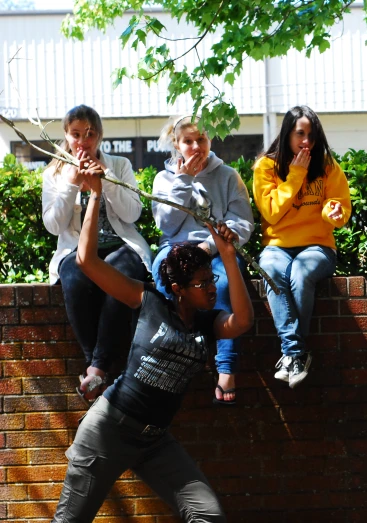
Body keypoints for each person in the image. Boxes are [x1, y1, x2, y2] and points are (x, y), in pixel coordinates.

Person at [52, 160, 253, 522]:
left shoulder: (207, 323)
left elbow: (242, 321)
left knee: (208, 515)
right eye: (203, 284)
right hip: (107, 430)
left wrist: (227, 256)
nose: (212, 289)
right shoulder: (148, 301)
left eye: (212, 281)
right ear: (177, 289)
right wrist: (95, 195)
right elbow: (86, 261)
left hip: (154, 440)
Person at [42, 105, 151, 402]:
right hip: (75, 249)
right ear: (66, 135)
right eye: (75, 134)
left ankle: (95, 370)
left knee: (120, 273)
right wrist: (72, 184)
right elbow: (53, 226)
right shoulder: (54, 171)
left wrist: (107, 183)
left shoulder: (120, 164)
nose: (82, 142)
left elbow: (132, 214)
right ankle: (99, 367)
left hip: (122, 245)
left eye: (89, 134)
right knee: (74, 276)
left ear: (99, 136)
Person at [152, 115, 254, 404]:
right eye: (188, 141)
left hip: (217, 248)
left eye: (202, 140)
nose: (196, 146)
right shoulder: (164, 179)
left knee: (221, 286)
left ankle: (226, 367)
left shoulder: (228, 175)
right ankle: (172, 358)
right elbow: (167, 225)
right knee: (165, 282)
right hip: (175, 247)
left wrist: (211, 246)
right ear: (176, 143)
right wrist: (183, 181)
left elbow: (242, 223)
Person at [253, 106, 351, 388]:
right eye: (300, 134)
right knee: (271, 270)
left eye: (311, 135)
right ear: (287, 135)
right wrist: (295, 175)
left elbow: (339, 206)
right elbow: (271, 212)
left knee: (300, 273)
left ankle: (290, 353)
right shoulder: (266, 167)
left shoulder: (328, 167)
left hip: (317, 247)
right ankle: (297, 353)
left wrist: (334, 212)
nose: (306, 141)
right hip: (277, 246)